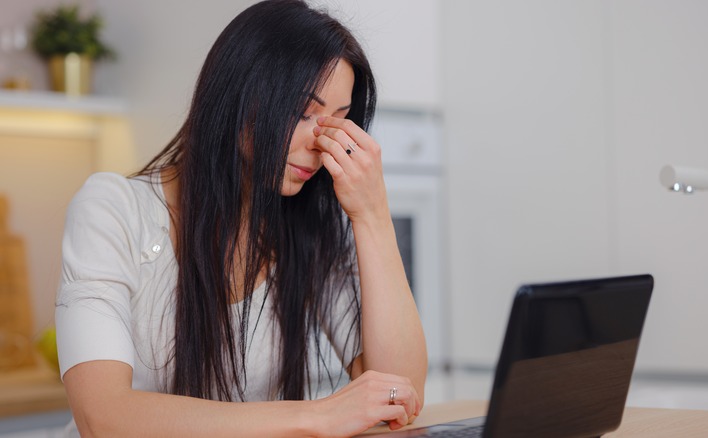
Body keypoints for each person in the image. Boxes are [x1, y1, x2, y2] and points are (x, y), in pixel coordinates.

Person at [54, 1, 428, 436]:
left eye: (338, 122)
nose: (321, 144)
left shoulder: (310, 225)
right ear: (237, 94)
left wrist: (373, 215)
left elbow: (401, 395)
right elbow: (103, 418)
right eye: (303, 113)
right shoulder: (113, 208)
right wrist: (319, 415)